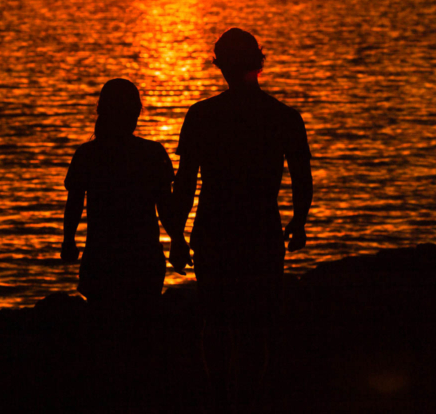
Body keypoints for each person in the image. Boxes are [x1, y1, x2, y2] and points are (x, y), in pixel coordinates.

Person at [168, 28, 313, 412]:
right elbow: (302, 179)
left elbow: (185, 184)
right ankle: (247, 401)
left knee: (215, 320)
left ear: (221, 65)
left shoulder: (201, 116)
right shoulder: (284, 117)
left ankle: (219, 398)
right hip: (261, 231)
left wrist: (176, 238)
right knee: (255, 326)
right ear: (257, 63)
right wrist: (298, 222)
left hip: (214, 230)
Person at [60, 78, 176, 406]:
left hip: (102, 259)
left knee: (104, 338)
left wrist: (68, 242)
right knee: (142, 336)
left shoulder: (87, 155)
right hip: (143, 259)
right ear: (136, 113)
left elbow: (74, 204)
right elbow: (164, 205)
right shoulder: (152, 154)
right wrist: (179, 241)